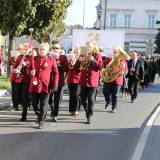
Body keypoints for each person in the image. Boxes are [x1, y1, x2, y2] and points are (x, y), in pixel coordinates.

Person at [29, 43, 59, 129]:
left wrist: (55, 84)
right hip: (34, 85)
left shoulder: (51, 60)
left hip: (46, 85)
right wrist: (30, 72)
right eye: (40, 49)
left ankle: (41, 121)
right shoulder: (34, 59)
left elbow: (56, 73)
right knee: (34, 104)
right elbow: (28, 69)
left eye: (43, 49)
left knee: (43, 104)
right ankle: (39, 115)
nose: (41, 51)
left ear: (47, 51)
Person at [79, 42, 103, 124]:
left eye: (89, 47)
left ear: (93, 48)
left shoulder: (97, 55)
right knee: (82, 98)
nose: (88, 48)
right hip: (83, 80)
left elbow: (100, 67)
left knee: (91, 99)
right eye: (87, 47)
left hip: (92, 81)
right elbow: (79, 67)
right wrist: (79, 61)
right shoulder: (83, 55)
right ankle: (87, 111)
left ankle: (89, 116)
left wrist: (93, 60)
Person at [102, 47, 128, 113]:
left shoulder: (122, 60)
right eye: (114, 52)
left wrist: (123, 72)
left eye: (116, 52)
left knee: (115, 95)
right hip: (108, 79)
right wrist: (106, 66)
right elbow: (103, 65)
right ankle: (108, 101)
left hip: (117, 80)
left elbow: (126, 70)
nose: (115, 54)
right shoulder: (109, 59)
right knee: (105, 92)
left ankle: (114, 107)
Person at [48, 40, 69, 122]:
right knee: (49, 99)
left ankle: (55, 114)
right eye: (54, 48)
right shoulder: (49, 56)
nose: (55, 49)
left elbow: (66, 69)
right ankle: (52, 109)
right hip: (49, 81)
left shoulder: (63, 57)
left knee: (57, 99)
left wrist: (59, 64)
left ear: (60, 49)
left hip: (59, 81)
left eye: (57, 48)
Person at [67, 48, 81, 116]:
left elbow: (80, 69)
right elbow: (69, 67)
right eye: (75, 52)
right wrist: (72, 62)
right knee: (71, 95)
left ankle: (76, 109)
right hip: (70, 79)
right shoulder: (71, 59)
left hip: (78, 79)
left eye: (78, 53)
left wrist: (77, 63)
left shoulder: (81, 60)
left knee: (76, 94)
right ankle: (71, 110)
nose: (77, 54)